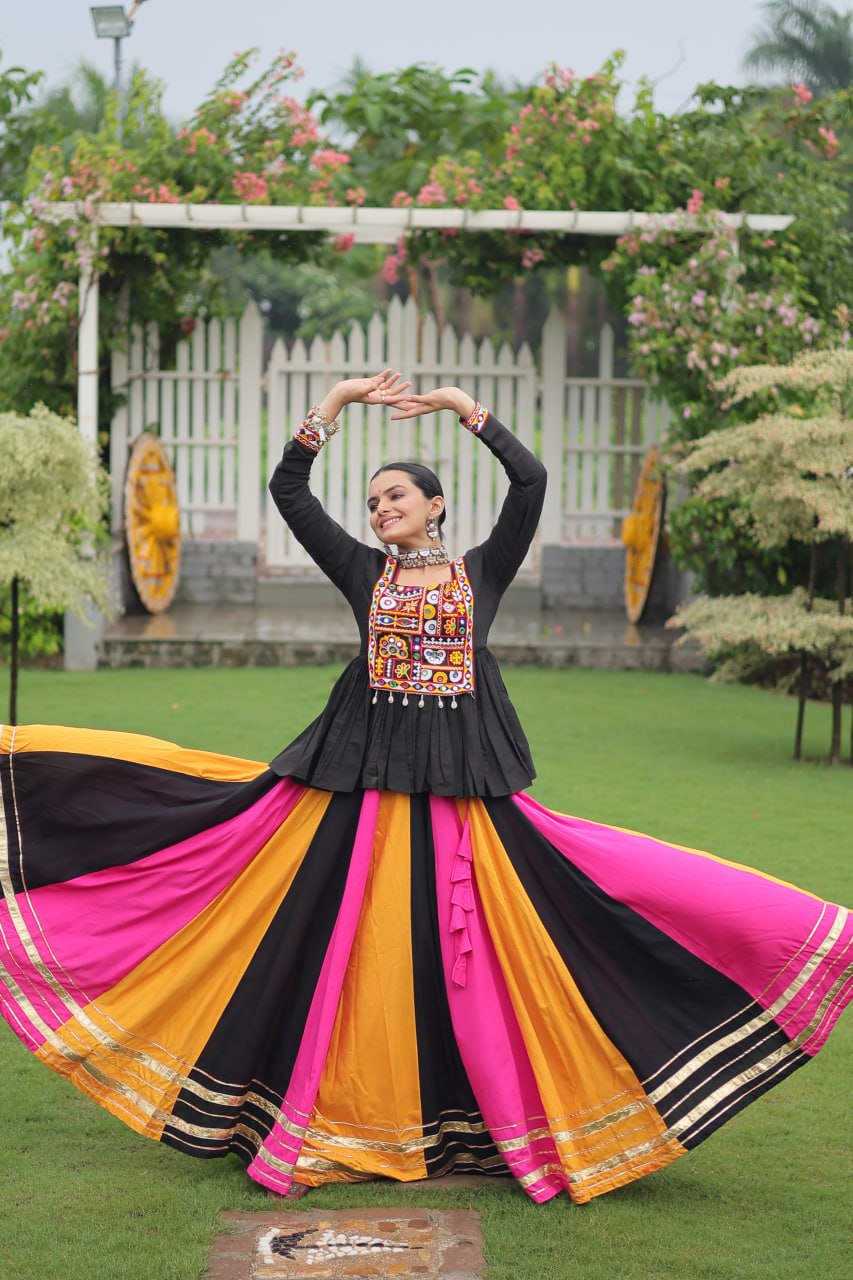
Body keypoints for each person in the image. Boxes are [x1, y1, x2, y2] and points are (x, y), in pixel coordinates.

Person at [0, 370, 849, 1207]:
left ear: (436, 505)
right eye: (373, 500)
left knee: (515, 940)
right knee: (321, 945)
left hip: (462, 796)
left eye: (396, 494)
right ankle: (309, 1116)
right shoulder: (363, 574)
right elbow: (288, 489)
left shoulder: (482, 571)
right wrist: (330, 406)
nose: (380, 508)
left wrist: (459, 410)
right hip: (358, 792)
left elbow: (531, 480)